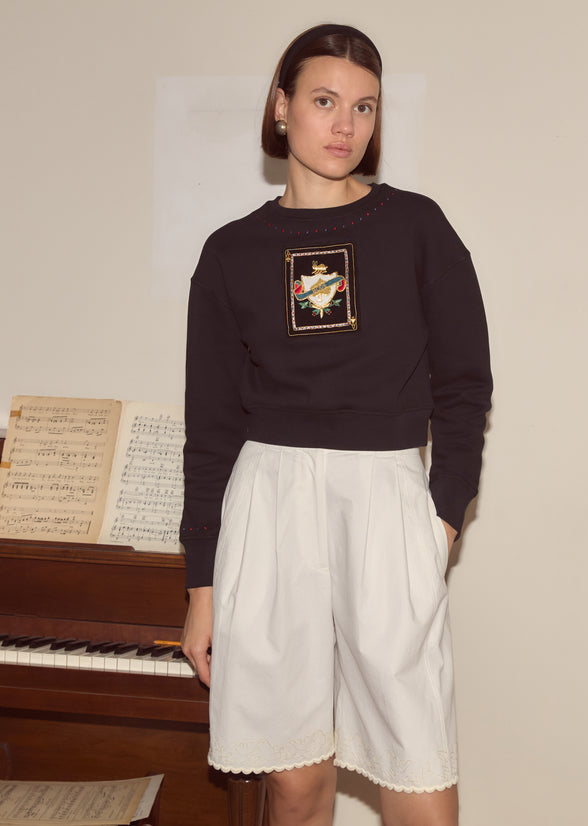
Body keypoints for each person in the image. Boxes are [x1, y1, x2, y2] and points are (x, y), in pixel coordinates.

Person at [180, 23, 492, 826]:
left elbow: (464, 385)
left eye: (364, 107)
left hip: (385, 499)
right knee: (291, 775)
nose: (345, 125)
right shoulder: (229, 253)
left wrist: (442, 518)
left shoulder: (418, 228)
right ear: (282, 108)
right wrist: (203, 586)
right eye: (324, 101)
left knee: (414, 761)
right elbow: (211, 428)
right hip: (267, 502)